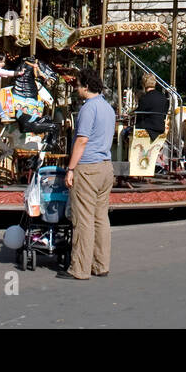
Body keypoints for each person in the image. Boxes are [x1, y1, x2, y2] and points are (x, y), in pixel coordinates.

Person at [62, 68, 114, 280]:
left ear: (85, 86)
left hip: (88, 167)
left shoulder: (88, 108)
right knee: (101, 217)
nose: (76, 89)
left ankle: (80, 268)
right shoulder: (108, 107)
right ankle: (101, 264)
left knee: (82, 218)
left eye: (77, 85)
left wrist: (71, 168)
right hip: (105, 166)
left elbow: (82, 140)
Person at [134, 73, 168, 141]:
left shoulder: (144, 98)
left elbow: (139, 116)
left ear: (144, 84)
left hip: (148, 128)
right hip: (161, 127)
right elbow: (164, 114)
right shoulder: (163, 97)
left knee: (125, 132)